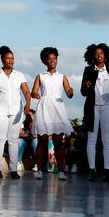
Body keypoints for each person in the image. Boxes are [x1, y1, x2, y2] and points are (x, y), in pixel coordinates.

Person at [0, 46, 31, 180]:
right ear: (2, 60)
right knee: (0, 139)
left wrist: (28, 104)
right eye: (8, 58)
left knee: (13, 140)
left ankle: (13, 169)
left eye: (13, 58)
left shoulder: (19, 75)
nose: (11, 61)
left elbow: (26, 92)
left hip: (16, 111)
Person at [30, 47, 74, 181]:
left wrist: (71, 91)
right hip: (44, 108)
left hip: (57, 108)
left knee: (58, 141)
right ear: (44, 61)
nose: (52, 61)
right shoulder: (40, 76)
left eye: (54, 58)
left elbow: (69, 92)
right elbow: (33, 92)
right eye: (49, 59)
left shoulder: (62, 77)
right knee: (42, 141)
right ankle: (40, 170)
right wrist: (36, 94)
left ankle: (61, 171)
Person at [80, 43, 109, 182]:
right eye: (96, 54)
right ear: (92, 56)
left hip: (108, 105)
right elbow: (83, 92)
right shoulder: (88, 70)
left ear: (106, 55)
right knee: (92, 138)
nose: (99, 56)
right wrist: (86, 87)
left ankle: (107, 170)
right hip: (93, 106)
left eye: (101, 53)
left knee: (106, 139)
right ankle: (92, 171)